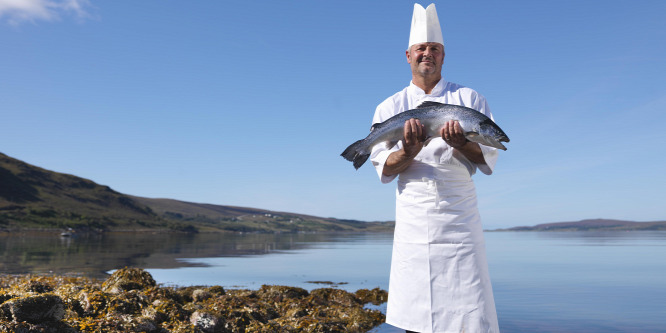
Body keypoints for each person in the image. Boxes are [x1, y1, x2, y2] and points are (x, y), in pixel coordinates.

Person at [369, 3, 501, 333]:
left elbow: (487, 159)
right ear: (408, 55)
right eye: (421, 48)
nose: (427, 53)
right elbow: (384, 169)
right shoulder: (390, 107)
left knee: (470, 314)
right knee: (416, 316)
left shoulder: (471, 99)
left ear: (444, 55)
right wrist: (410, 151)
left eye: (434, 49)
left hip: (461, 221)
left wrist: (462, 144)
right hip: (413, 221)